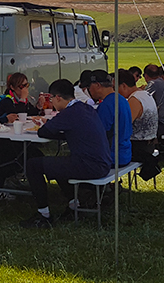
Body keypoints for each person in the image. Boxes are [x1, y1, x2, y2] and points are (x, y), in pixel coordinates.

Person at [19, 79, 111, 229]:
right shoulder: (85, 108)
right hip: (102, 162)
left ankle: (44, 214)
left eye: (52, 100)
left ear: (58, 98)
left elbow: (44, 131)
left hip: (89, 165)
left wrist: (47, 125)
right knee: (59, 163)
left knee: (33, 165)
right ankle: (75, 203)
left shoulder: (68, 113)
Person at [0, 72, 45, 198]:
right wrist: (23, 100)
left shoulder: (21, 100)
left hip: (19, 137)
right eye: (21, 86)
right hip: (5, 139)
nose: (25, 89)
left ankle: (16, 179)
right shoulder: (7, 100)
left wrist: (39, 106)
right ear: (12, 87)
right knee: (18, 157)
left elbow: (29, 113)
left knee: (34, 154)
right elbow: (17, 116)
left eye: (26, 85)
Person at [86, 69, 132, 167]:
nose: (88, 90)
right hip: (125, 153)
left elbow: (99, 133)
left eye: (89, 87)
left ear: (98, 85)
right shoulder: (121, 99)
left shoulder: (107, 105)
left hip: (113, 156)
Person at [117, 69, 158, 172]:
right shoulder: (145, 94)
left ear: (123, 86)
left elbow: (124, 126)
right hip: (150, 143)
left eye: (115, 88)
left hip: (139, 146)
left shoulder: (134, 100)